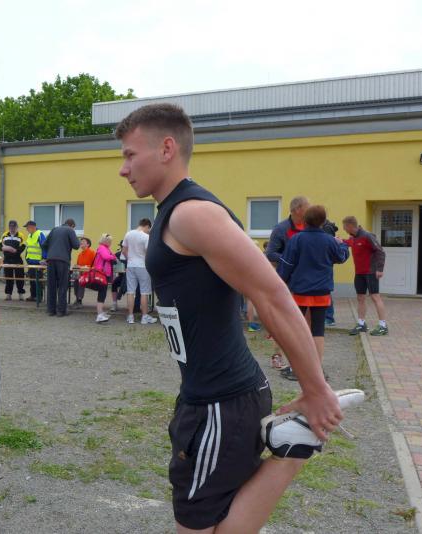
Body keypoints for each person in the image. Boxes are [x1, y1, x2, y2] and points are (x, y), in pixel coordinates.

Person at [116, 103, 354, 533]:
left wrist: (316, 389)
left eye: (130, 155)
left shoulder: (192, 214)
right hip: (210, 398)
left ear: (167, 149)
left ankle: (297, 446)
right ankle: (294, 445)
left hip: (220, 403)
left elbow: (272, 295)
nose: (123, 169)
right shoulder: (173, 211)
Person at [277, 205, 350, 381]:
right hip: (321, 292)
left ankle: (296, 368)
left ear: (304, 220)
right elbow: (341, 257)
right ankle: (316, 370)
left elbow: (287, 265)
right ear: (323, 221)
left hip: (300, 291)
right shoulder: (329, 240)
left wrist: (280, 283)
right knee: (318, 330)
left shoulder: (296, 239)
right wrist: (343, 245)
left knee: (296, 330)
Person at [265, 196, 308, 371]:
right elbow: (270, 253)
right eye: (307, 207)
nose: (309, 210)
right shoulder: (281, 229)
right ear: (297, 210)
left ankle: (302, 358)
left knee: (305, 322)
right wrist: (290, 259)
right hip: (287, 282)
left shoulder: (310, 227)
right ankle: (277, 356)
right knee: (283, 321)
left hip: (307, 282)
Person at [342, 216, 388, 336]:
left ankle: (383, 326)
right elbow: (349, 242)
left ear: (350, 226)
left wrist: (379, 269)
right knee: (360, 297)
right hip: (359, 273)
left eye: (345, 227)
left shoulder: (367, 236)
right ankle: (361, 324)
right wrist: (339, 241)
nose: (344, 229)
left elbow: (380, 251)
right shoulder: (353, 237)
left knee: (375, 297)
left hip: (370, 272)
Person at [122, 218, 157, 324]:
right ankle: (144, 317)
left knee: (130, 291)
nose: (148, 231)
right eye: (149, 229)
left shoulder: (128, 234)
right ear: (147, 226)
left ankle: (130, 317)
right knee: (144, 292)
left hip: (130, 265)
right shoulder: (146, 237)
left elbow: (124, 251)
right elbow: (148, 253)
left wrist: (130, 259)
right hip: (142, 266)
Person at [43, 218, 79, 316]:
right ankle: (61, 310)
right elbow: (76, 245)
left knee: (51, 285)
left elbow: (44, 244)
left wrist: (51, 252)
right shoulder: (70, 230)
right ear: (72, 225)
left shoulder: (54, 229)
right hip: (63, 260)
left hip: (50, 260)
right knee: (63, 285)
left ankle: (51, 310)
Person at [0, 220, 26, 301]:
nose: (12, 228)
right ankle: (8, 294)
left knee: (20, 278)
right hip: (7, 260)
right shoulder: (4, 235)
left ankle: (21, 294)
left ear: (17, 227)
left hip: (17, 259)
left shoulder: (21, 235)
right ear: (9, 227)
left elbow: (22, 247)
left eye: (14, 227)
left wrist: (13, 250)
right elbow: (0, 247)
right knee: (8, 278)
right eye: (10, 226)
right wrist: (9, 249)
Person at [92, 234, 117, 323]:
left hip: (104, 273)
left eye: (110, 241)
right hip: (101, 273)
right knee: (102, 293)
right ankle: (99, 315)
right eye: (109, 241)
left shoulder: (106, 248)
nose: (110, 242)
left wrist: (112, 256)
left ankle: (101, 312)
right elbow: (107, 257)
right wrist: (113, 257)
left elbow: (110, 256)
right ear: (104, 241)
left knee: (103, 292)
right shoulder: (102, 248)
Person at [23, 220, 47, 302]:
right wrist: (27, 258)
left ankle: (39, 297)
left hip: (38, 262)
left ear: (32, 227)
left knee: (38, 280)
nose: (26, 229)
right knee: (32, 279)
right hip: (31, 262)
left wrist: (44, 259)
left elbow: (45, 247)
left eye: (27, 227)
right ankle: (33, 295)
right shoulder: (29, 235)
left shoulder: (40, 234)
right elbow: (28, 248)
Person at [72, 236, 95, 308]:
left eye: (83, 241)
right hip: (81, 274)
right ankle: (77, 298)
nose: (81, 242)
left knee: (81, 279)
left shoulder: (92, 252)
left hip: (90, 274)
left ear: (88, 244)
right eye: (80, 241)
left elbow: (94, 265)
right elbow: (78, 266)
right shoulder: (80, 254)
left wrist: (83, 267)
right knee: (76, 279)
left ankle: (79, 300)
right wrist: (76, 266)